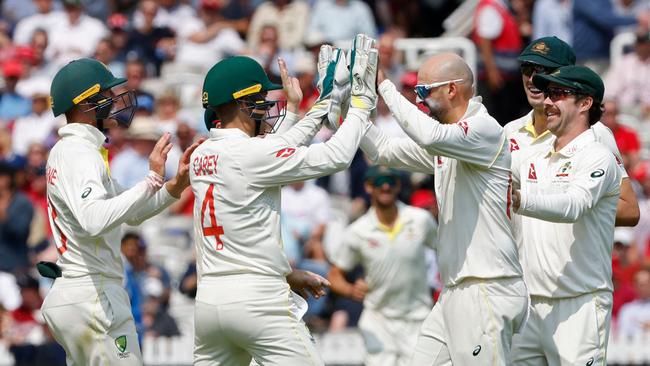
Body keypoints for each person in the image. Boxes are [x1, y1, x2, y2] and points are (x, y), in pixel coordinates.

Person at [190, 35, 377, 365]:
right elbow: (336, 156)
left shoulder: (201, 156)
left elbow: (275, 148)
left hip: (209, 304)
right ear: (243, 102)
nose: (266, 105)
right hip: (257, 302)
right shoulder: (251, 154)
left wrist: (317, 105)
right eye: (261, 98)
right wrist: (361, 104)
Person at [355, 53, 528, 365]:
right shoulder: (446, 144)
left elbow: (429, 135)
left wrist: (385, 86)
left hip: (486, 287)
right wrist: (347, 108)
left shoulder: (483, 129)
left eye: (424, 91)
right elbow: (383, 150)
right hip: (454, 293)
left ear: (451, 89)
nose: (420, 101)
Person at [39, 58, 202, 365]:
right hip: (93, 295)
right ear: (86, 103)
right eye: (106, 95)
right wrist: (151, 177)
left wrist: (174, 186)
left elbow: (132, 213)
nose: (115, 102)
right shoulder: (79, 153)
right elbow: (93, 220)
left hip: (79, 294)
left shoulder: (77, 151)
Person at [510, 65, 622, 365]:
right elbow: (486, 164)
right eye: (547, 94)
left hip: (581, 305)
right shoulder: (533, 154)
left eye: (558, 94)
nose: (547, 102)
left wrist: (519, 198)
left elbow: (574, 205)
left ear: (585, 103)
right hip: (529, 307)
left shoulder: (597, 156)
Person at [505, 36, 639, 227]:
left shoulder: (595, 133)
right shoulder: (510, 131)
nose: (533, 78)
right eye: (527, 69)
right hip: (525, 256)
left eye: (543, 70)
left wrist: (573, 205)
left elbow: (630, 210)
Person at [328, 166, 437, 366]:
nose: (385, 186)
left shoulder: (420, 219)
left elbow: (446, 250)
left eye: (391, 181)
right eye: (379, 182)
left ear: (398, 186)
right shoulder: (357, 231)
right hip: (378, 321)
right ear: (369, 187)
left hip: (418, 318)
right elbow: (334, 275)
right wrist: (351, 290)